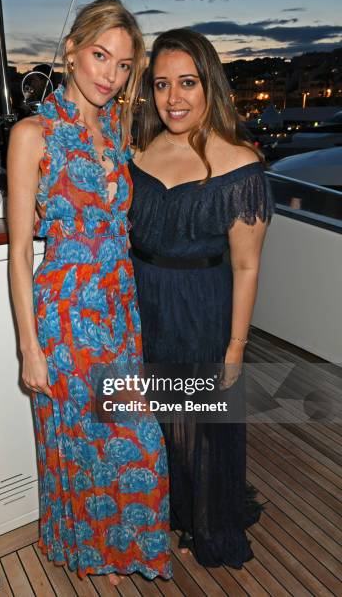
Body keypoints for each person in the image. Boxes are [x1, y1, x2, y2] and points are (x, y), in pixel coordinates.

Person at [7, 0, 171, 585]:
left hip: (118, 309)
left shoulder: (118, 129)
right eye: (101, 56)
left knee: (127, 438)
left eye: (124, 65)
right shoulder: (33, 133)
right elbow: (21, 251)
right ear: (72, 50)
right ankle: (95, 549)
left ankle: (115, 550)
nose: (110, 74)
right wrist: (30, 347)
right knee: (89, 438)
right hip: (68, 314)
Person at [129, 28, 274, 568]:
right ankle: (174, 508)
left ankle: (209, 523)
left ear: (209, 84)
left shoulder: (240, 166)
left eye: (187, 82)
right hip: (145, 302)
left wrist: (235, 347)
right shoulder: (140, 153)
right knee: (159, 420)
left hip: (202, 306)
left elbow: (247, 264)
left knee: (203, 429)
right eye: (162, 84)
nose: (174, 98)